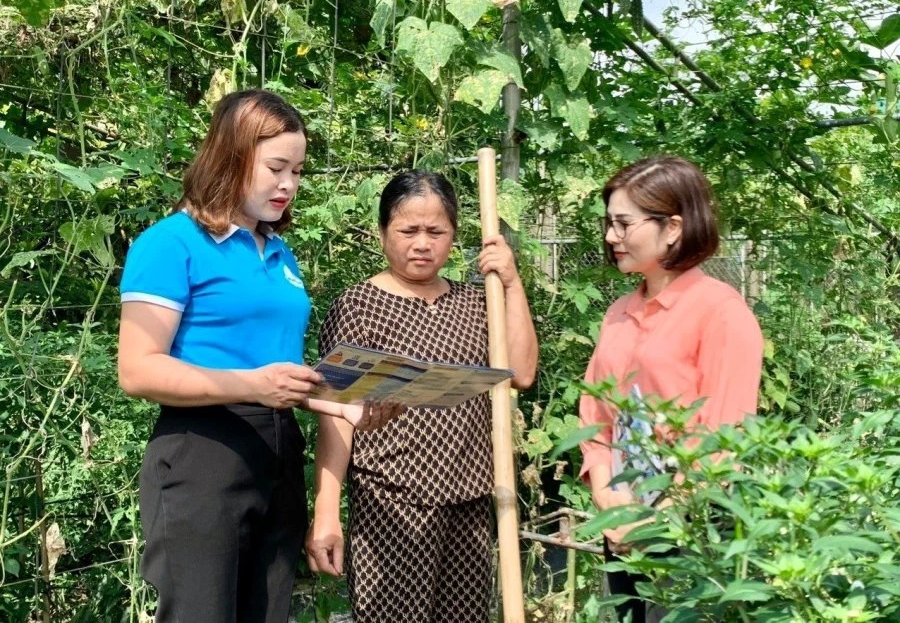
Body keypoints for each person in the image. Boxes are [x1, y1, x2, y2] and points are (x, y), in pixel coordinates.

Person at [117, 89, 398, 623]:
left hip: (278, 453)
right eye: (276, 167)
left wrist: (342, 407)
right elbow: (137, 369)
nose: (289, 184)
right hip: (203, 453)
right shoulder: (171, 243)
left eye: (297, 170)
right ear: (231, 154)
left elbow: (279, 374)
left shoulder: (279, 253)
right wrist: (249, 386)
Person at [305, 170, 538, 623]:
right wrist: (327, 511)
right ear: (382, 233)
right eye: (408, 230)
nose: (422, 243)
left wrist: (510, 283)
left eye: (436, 231)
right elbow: (335, 415)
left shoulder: (477, 302)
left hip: (469, 504)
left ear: (453, 236)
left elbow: (523, 373)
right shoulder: (357, 306)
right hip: (390, 508)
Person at [579, 155, 763, 623]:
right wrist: (607, 497)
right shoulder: (619, 311)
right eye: (609, 223)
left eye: (623, 224)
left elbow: (724, 437)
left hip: (690, 528)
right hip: (621, 518)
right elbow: (597, 419)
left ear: (674, 227)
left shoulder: (721, 312)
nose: (610, 237)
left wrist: (659, 518)